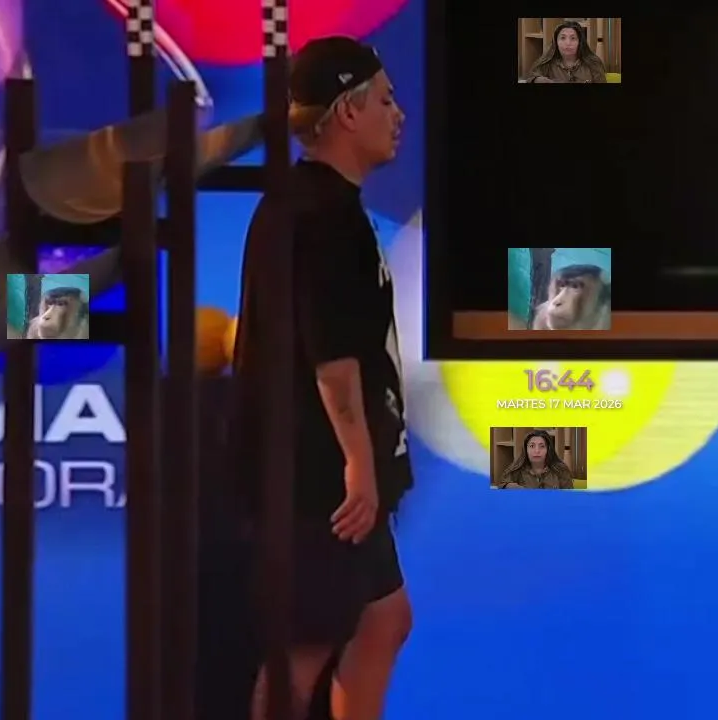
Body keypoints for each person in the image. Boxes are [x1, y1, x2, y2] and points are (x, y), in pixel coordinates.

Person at [229, 36, 413, 720]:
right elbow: (331, 356)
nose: (399, 114)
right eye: (385, 100)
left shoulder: (309, 204)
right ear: (346, 112)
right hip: (320, 479)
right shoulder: (324, 215)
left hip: (320, 468)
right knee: (304, 651)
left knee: (384, 618)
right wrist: (359, 463)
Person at [524, 21, 607, 84]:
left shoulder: (593, 63)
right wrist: (537, 80)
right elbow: (530, 78)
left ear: (580, 42)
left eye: (573, 38)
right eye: (563, 38)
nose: (568, 43)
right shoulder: (546, 63)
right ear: (556, 42)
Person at [495, 430, 575, 489]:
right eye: (532, 446)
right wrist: (508, 486)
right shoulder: (516, 469)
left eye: (542, 446)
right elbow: (501, 487)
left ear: (548, 449)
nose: (537, 451)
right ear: (526, 449)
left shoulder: (561, 470)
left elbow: (569, 499)